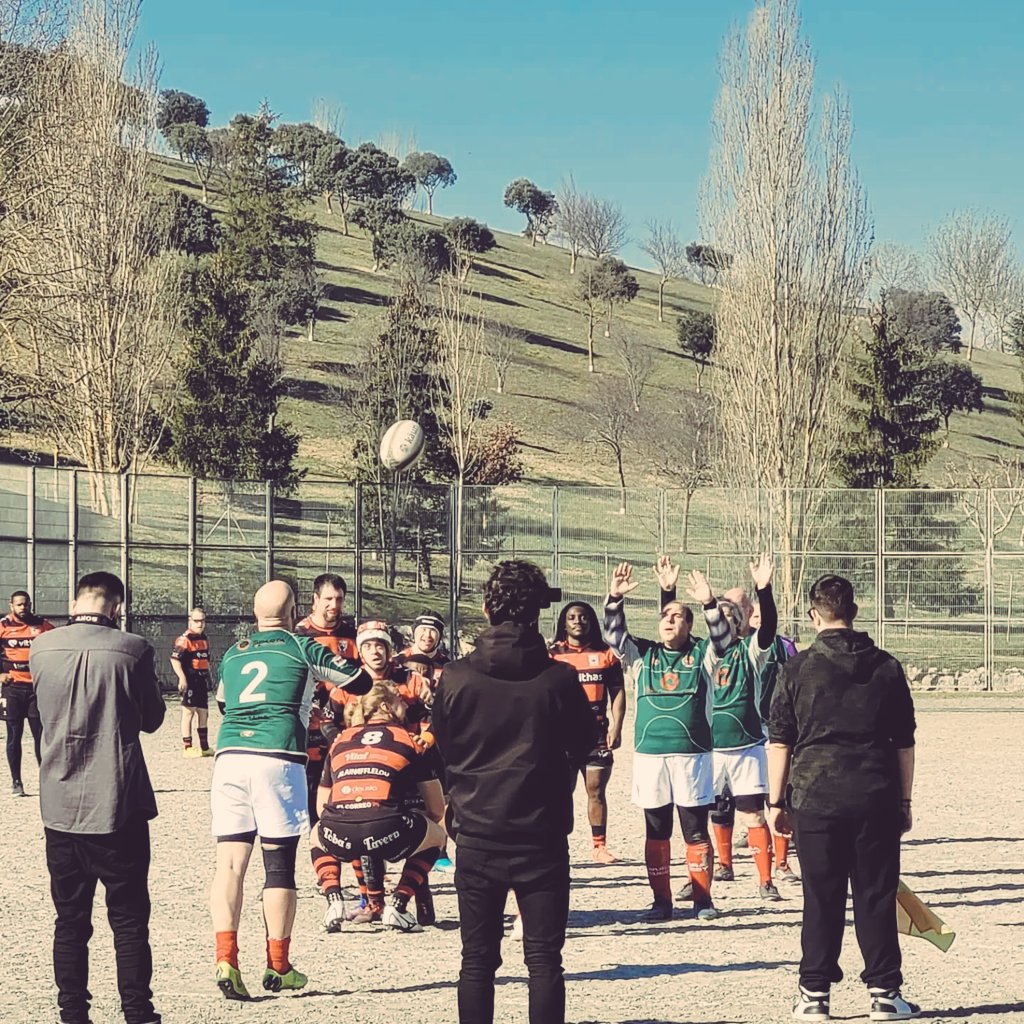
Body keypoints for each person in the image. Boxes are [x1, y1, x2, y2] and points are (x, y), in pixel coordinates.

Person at [432, 559, 596, 1024]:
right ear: (538, 616)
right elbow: (584, 745)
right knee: (544, 960)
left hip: (478, 832)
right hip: (541, 834)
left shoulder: (456, 677)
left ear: (486, 609)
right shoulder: (560, 679)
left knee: (477, 960)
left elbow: (441, 747)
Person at [767, 574, 920, 1021]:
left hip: (815, 795)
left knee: (821, 896)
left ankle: (815, 993)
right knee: (876, 894)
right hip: (875, 793)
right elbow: (904, 743)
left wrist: (777, 802)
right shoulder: (887, 667)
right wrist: (904, 802)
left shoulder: (795, 669)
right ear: (853, 611)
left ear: (815, 615)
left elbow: (780, 741)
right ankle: (885, 992)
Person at [209, 580, 370, 1002]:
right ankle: (278, 966)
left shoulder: (233, 652)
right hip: (278, 755)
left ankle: (226, 958)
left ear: (253, 611)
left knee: (228, 865)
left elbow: (225, 704)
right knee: (278, 866)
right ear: (297, 609)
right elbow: (358, 682)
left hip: (229, 756)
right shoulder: (301, 646)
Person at [29, 571, 166, 1024]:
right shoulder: (133, 649)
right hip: (118, 805)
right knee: (128, 921)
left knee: (70, 921)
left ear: (75, 601)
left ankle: (72, 1014)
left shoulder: (40, 648)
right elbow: (152, 719)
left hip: (60, 804)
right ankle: (138, 1013)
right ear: (117, 606)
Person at [603, 557, 729, 922]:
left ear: (690, 625)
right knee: (656, 830)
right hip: (650, 757)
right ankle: (661, 902)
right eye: (665, 616)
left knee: (693, 828)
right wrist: (614, 597)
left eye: (677, 617)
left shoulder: (703, 654)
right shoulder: (643, 654)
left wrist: (708, 603)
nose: (669, 621)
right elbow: (614, 636)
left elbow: (723, 639)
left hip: (692, 756)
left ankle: (703, 901)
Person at [310, 619, 434, 931]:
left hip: (408, 763)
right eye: (368, 646)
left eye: (381, 645)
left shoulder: (411, 679)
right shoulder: (349, 682)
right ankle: (372, 901)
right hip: (364, 762)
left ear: (390, 650)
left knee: (359, 816)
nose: (375, 651)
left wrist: (426, 739)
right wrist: (340, 742)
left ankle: (416, 898)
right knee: (362, 814)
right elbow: (326, 720)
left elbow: (439, 714)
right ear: (360, 651)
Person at [700, 555, 783, 902]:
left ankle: (765, 880)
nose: (725, 622)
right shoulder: (702, 654)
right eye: (719, 617)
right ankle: (724, 864)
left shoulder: (750, 651)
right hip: (711, 746)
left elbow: (769, 629)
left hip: (746, 744)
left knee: (752, 812)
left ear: (741, 623)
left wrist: (764, 589)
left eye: (731, 616)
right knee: (717, 810)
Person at [549, 600, 625, 863]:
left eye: (583, 617)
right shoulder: (552, 654)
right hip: (562, 736)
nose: (577, 622)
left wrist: (618, 725)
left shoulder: (606, 654)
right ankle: (557, 846)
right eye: (572, 617)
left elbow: (618, 692)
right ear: (564, 622)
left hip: (597, 733)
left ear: (591, 621)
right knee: (560, 792)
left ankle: (599, 846)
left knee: (596, 790)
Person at [293, 573, 358, 825]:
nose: (334, 605)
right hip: (312, 722)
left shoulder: (352, 635)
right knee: (312, 781)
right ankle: (317, 837)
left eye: (339, 599)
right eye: (328, 599)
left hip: (345, 722)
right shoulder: (300, 635)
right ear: (315, 599)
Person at [0, 589, 54, 795]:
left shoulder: (42, 626)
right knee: (14, 736)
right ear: (11, 605)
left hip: (36, 689)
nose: (24, 607)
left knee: (41, 736)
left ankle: (46, 781)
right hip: (13, 689)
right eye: (19, 604)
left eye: (26, 604)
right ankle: (16, 782)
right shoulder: (3, 626)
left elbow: (56, 647)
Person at [170, 607, 213, 758]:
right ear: (190, 621)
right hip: (190, 680)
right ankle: (187, 748)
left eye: (202, 621)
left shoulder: (204, 638)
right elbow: (175, 659)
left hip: (201, 680)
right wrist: (182, 678)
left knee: (203, 712)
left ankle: (204, 747)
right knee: (188, 712)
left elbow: (205, 660)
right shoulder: (185, 639)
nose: (200, 624)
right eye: (196, 621)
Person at [396, 611, 449, 685]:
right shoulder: (398, 661)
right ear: (414, 633)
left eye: (433, 630)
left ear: (439, 636)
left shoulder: (447, 666)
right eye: (423, 629)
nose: (427, 635)